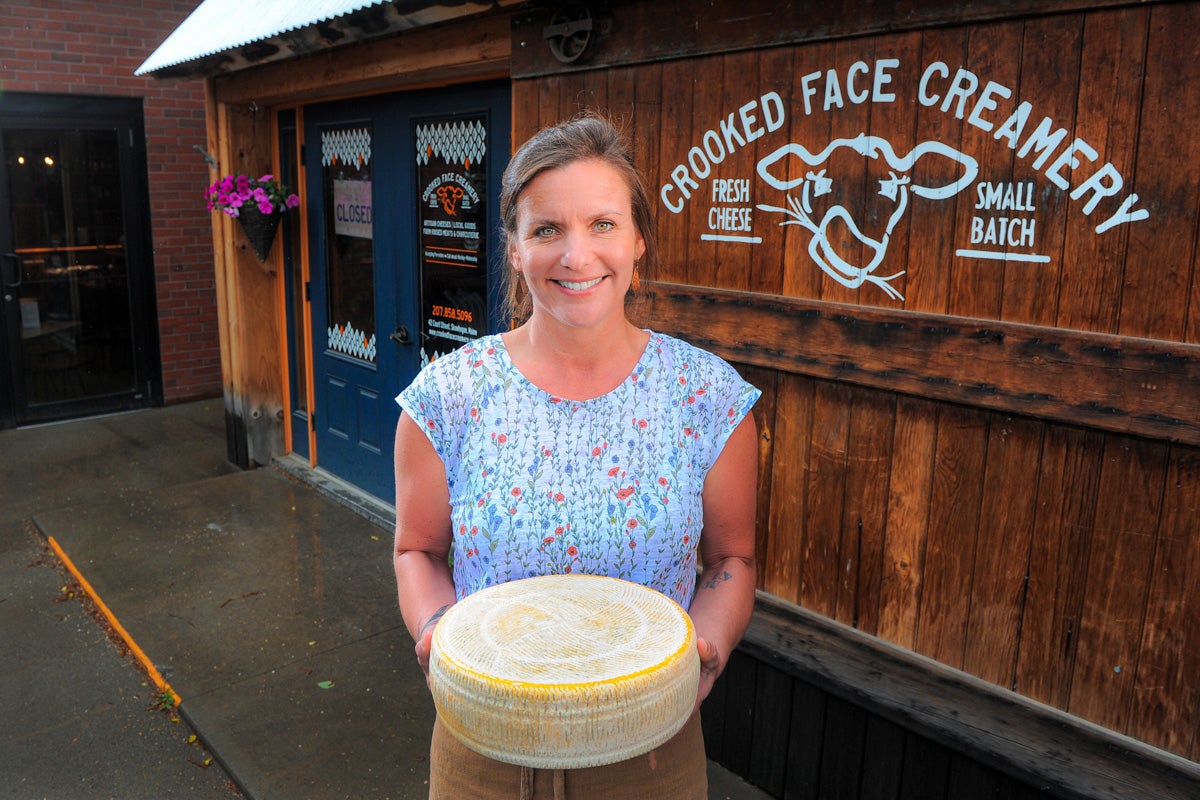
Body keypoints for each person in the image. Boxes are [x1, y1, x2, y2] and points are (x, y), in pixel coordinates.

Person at [392, 113, 760, 799]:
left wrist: (708, 643)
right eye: (546, 229)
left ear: (639, 240)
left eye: (603, 224)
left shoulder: (708, 398)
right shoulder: (447, 398)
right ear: (513, 246)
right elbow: (417, 550)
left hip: (651, 745)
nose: (576, 255)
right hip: (484, 746)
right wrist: (437, 631)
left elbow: (731, 559)